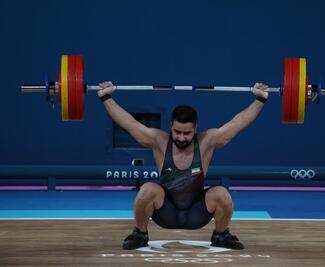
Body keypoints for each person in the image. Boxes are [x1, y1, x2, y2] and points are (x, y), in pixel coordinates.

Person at [98, 82, 269, 250]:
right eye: (177, 132)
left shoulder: (207, 141)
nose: (181, 137)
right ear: (171, 126)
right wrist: (106, 97)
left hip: (197, 212)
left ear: (195, 128)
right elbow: (129, 123)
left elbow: (237, 123)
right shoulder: (159, 141)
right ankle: (140, 234)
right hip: (166, 211)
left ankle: (221, 235)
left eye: (186, 133)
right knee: (148, 189)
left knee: (221, 193)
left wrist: (260, 100)